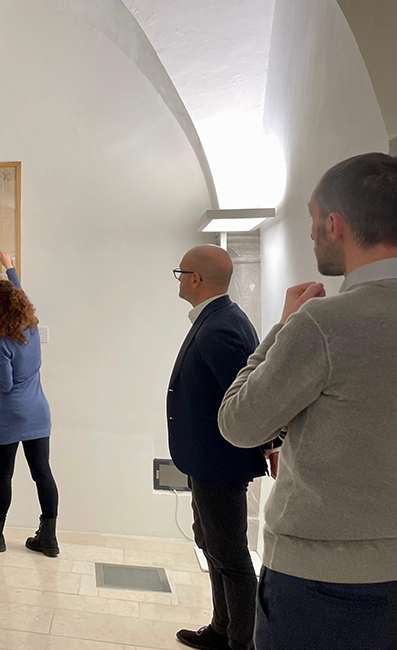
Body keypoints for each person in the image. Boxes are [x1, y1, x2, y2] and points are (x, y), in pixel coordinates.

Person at [219, 153, 397, 650]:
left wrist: (283, 326)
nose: (313, 234)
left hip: (324, 578)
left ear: (335, 225)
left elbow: (239, 422)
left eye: (314, 221)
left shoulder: (323, 323)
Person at [168, 245, 269, 650]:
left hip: (220, 461)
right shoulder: (220, 318)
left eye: (181, 273)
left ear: (195, 279)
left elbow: (245, 402)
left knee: (230, 556)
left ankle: (240, 642)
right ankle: (222, 628)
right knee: (211, 544)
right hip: (208, 459)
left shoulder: (219, 327)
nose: (179, 280)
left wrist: (269, 442)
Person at [0, 250, 59, 557]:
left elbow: (6, 385)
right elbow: (17, 291)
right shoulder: (31, 325)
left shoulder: (1, 340)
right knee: (42, 473)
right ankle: (48, 538)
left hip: (11, 415)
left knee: (2, 475)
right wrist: (9, 267)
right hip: (38, 411)